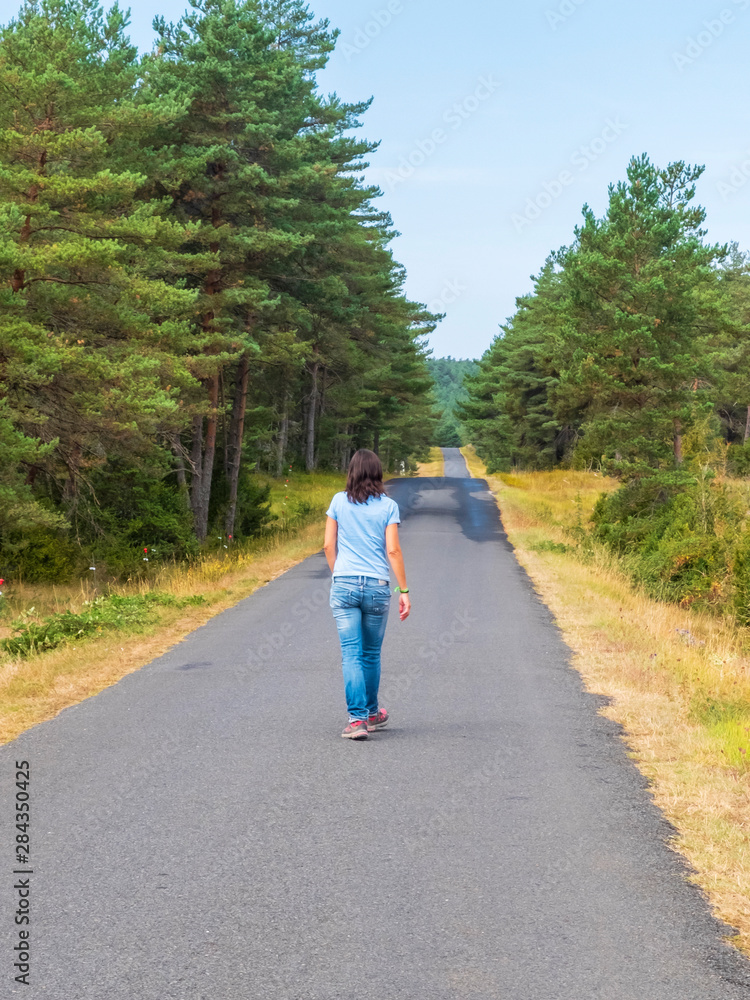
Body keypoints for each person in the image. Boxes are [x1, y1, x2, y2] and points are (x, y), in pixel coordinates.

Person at [324, 449, 411, 740]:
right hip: (377, 585)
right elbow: (393, 550)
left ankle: (358, 720)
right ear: (377, 473)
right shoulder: (388, 506)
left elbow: (328, 545)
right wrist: (404, 590)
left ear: (351, 472)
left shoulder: (338, 501)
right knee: (371, 653)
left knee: (351, 653)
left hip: (345, 583)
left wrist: (339, 575)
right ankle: (372, 714)